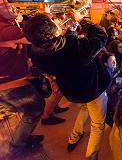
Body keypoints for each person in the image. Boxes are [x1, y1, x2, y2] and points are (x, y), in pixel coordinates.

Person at [23, 10, 110, 160]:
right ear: (53, 31)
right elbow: (101, 35)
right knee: (97, 125)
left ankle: (74, 137)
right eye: (53, 22)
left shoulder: (38, 54)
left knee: (84, 108)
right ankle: (91, 157)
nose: (57, 23)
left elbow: (60, 46)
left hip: (72, 92)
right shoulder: (77, 48)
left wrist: (71, 31)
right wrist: (82, 20)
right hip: (93, 90)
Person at [0, 0, 45, 158]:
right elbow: (39, 39)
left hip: (8, 79)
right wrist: (44, 18)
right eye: (5, 5)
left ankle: (22, 136)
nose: (11, 7)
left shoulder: (7, 26)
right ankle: (16, 147)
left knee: (24, 108)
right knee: (35, 109)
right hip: (10, 82)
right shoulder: (6, 28)